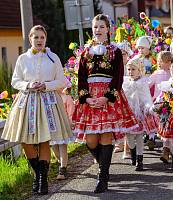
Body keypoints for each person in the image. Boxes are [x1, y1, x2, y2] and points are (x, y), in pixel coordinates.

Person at [1, 25, 73, 195]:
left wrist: (46, 85)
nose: (39, 40)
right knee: (26, 140)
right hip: (26, 102)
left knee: (44, 141)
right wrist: (28, 84)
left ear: (45, 39)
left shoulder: (52, 57)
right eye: (36, 37)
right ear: (30, 39)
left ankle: (42, 181)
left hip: (48, 101)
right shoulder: (22, 59)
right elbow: (15, 81)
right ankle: (38, 174)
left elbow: (61, 81)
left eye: (42, 37)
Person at [72, 14, 138, 193]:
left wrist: (107, 97)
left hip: (108, 98)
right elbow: (81, 78)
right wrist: (86, 98)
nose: (98, 30)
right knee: (91, 141)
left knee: (106, 136)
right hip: (91, 99)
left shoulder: (115, 51)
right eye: (95, 27)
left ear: (108, 29)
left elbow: (117, 78)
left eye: (101, 27)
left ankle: (103, 177)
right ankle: (103, 164)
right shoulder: (85, 52)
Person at [122, 57, 157, 171]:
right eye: (129, 69)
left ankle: (139, 160)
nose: (130, 72)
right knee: (130, 138)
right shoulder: (125, 82)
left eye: (133, 69)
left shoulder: (143, 83)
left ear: (139, 70)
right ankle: (132, 153)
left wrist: (148, 107)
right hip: (128, 114)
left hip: (140, 114)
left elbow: (146, 98)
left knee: (139, 137)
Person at [149, 51, 173, 163]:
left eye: (161, 61)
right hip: (158, 104)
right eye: (158, 61)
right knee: (162, 126)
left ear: (169, 62)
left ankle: (166, 150)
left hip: (170, 104)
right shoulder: (156, 73)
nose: (158, 63)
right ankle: (167, 148)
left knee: (166, 126)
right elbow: (147, 84)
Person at [52, 86, 75, 180]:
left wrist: (70, 122)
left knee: (62, 147)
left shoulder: (66, 97)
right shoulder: (50, 97)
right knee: (54, 148)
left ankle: (62, 169)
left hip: (63, 126)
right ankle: (61, 162)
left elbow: (71, 112)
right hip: (53, 127)